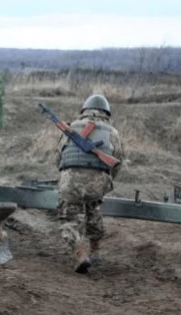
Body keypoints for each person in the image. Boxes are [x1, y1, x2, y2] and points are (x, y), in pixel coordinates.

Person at [56, 94, 125, 274]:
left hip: (70, 180)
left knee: (68, 217)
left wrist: (65, 177)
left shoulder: (70, 128)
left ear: (84, 110)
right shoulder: (112, 132)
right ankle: (95, 250)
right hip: (97, 182)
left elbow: (59, 156)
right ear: (106, 113)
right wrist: (106, 181)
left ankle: (79, 251)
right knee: (93, 208)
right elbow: (118, 160)